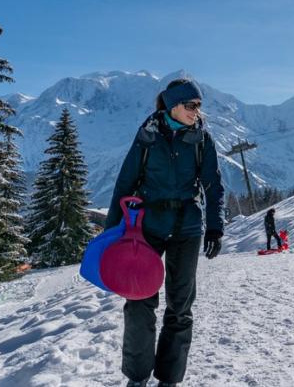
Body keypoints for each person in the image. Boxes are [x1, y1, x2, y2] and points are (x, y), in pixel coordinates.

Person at [105, 78, 226, 387]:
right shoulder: (147, 136)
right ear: (174, 105)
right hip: (148, 228)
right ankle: (138, 376)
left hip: (187, 228)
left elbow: (213, 187)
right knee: (139, 302)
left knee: (180, 306)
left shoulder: (202, 140)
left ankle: (169, 379)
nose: (197, 112)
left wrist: (215, 227)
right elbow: (125, 181)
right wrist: (111, 232)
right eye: (191, 106)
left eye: (199, 106)